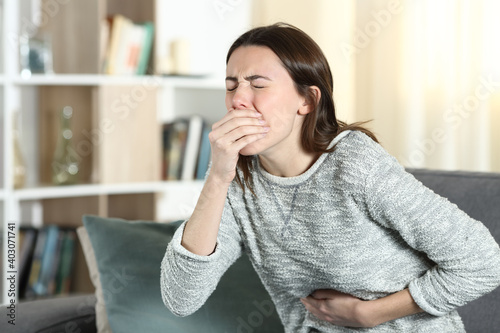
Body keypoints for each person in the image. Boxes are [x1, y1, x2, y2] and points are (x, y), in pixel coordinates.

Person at [160, 23, 500, 332]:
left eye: (257, 85)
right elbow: (181, 298)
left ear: (307, 100)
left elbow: (484, 262)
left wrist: (372, 314)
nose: (238, 100)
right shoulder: (235, 181)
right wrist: (217, 177)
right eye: (231, 86)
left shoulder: (355, 165)